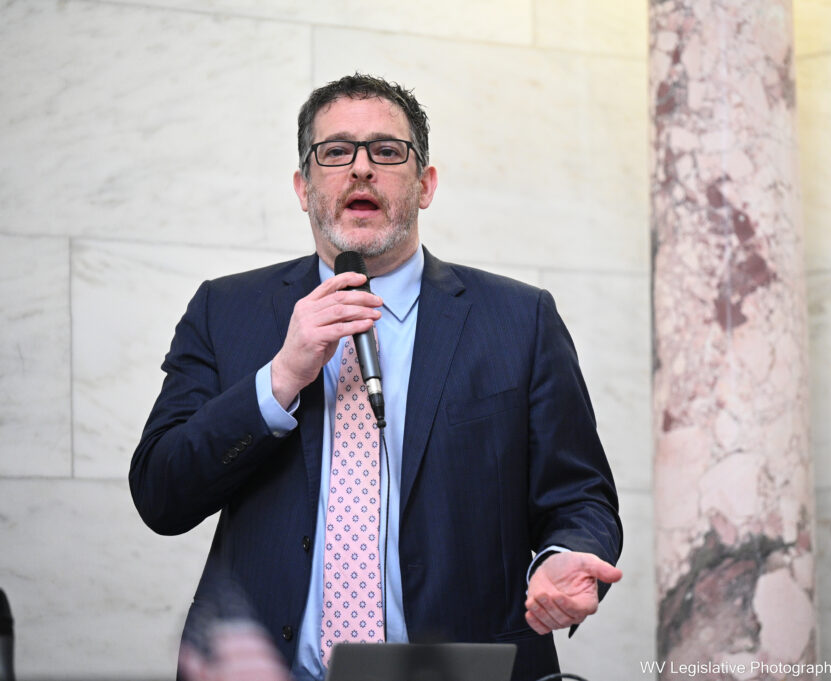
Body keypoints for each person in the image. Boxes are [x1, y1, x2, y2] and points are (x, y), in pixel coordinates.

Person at [130, 73, 622, 681]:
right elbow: (160, 493)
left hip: (461, 669)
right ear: (303, 188)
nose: (361, 169)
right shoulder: (225, 310)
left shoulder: (519, 319)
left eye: (387, 151)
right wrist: (281, 376)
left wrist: (564, 556)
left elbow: (578, 493)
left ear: (426, 185)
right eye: (335, 152)